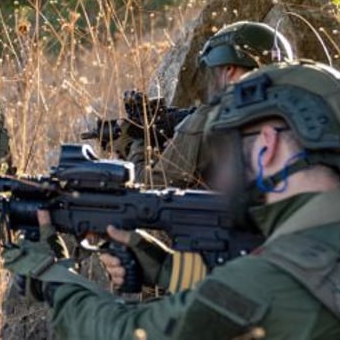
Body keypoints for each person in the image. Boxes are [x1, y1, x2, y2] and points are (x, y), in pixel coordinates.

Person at [6, 60, 340, 338]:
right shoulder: (328, 244)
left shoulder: (265, 277)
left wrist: (52, 277)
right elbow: (230, 303)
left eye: (231, 149)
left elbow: (125, 333)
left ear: (269, 146)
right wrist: (163, 266)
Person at [104, 21, 294, 294]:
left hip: (228, 268)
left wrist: (136, 144)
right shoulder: (301, 112)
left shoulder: (213, 120)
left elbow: (148, 186)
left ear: (229, 70)